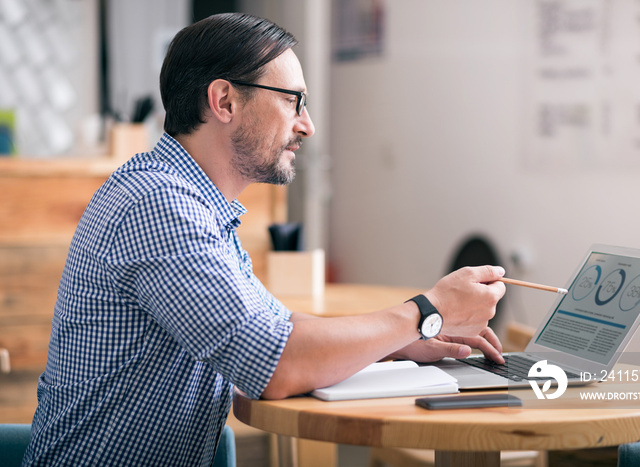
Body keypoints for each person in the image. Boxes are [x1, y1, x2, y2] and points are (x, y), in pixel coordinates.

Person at [22, 12, 506, 466]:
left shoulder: (194, 203)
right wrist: (426, 309)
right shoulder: (160, 205)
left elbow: (279, 329)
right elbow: (277, 364)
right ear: (225, 101)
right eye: (293, 100)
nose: (307, 125)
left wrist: (401, 341)